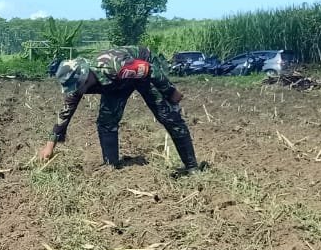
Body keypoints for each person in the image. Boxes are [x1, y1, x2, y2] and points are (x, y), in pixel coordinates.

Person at [38, 47, 205, 176]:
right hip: (116, 84)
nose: (76, 91)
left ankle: (192, 167)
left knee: (167, 116)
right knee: (106, 121)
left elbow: (150, 69)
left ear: (85, 77)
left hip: (144, 71)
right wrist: (49, 146)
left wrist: (170, 91)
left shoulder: (113, 67)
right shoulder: (78, 84)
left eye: (78, 87)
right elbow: (66, 112)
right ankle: (111, 166)